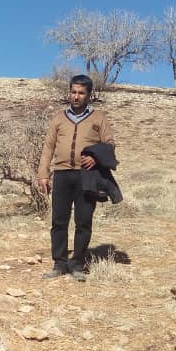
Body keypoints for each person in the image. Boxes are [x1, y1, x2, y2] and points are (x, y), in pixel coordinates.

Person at [37, 74, 115, 282]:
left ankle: (78, 263)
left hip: (87, 176)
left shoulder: (99, 117)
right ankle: (60, 263)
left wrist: (96, 158)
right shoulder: (59, 118)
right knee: (58, 221)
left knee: (83, 221)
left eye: (81, 93)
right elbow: (48, 147)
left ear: (89, 94)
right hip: (62, 174)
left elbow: (109, 144)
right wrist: (43, 174)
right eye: (73, 92)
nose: (76, 96)